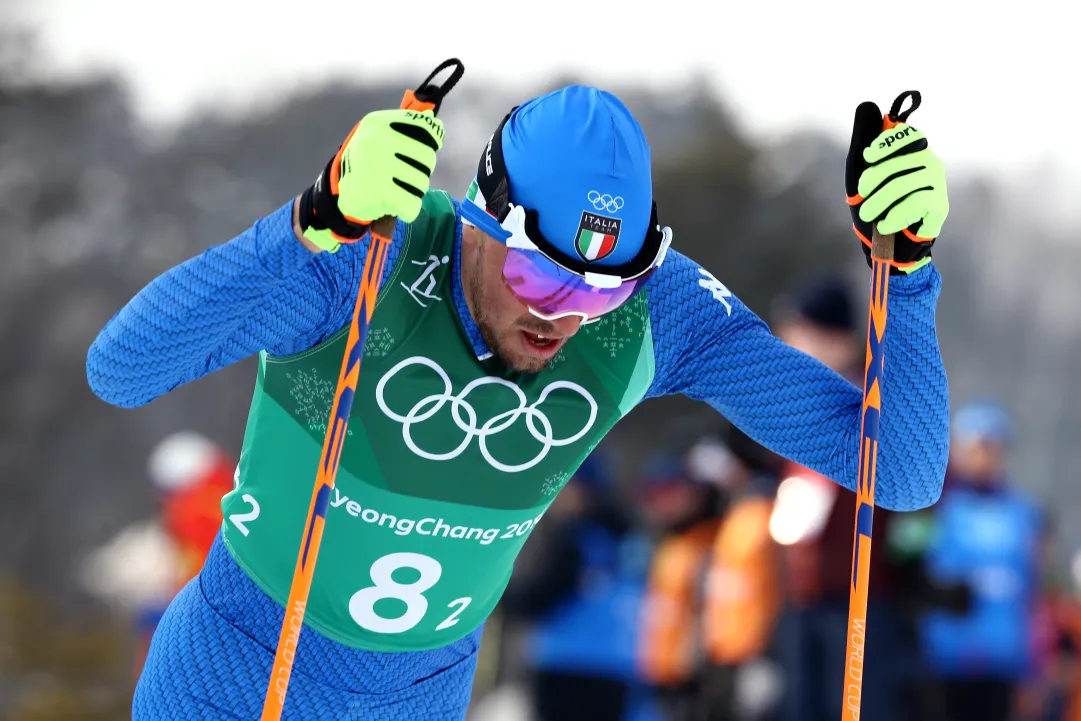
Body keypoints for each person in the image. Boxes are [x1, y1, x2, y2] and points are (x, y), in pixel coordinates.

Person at [86, 83, 952, 718]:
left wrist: (905, 281)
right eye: (538, 271)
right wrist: (307, 222)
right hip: (236, 667)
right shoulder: (367, 251)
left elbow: (898, 474)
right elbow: (122, 367)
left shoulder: (660, 314)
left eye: (600, 292)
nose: (562, 315)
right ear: (479, 217)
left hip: (418, 694)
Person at [770, 275, 921, 721]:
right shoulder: (797, 408)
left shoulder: (868, 403)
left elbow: (919, 498)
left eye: (802, 332)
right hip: (803, 599)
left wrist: (912, 564)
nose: (788, 343)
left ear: (839, 340)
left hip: (863, 602)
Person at [919, 401, 1050, 721]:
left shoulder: (1024, 513)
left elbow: (1034, 589)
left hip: (1003, 659)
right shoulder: (934, 508)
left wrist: (1035, 666)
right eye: (974, 446)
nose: (983, 457)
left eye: (991, 447)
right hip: (944, 658)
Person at [502, 452, 652, 721]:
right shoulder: (631, 535)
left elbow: (539, 598)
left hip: (564, 659)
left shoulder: (575, 536)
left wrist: (499, 597)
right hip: (618, 663)